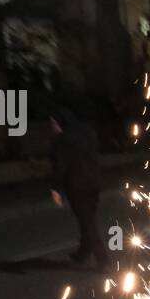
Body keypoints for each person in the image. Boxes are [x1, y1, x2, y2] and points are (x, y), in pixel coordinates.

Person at [50, 105, 110, 270]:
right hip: (95, 182)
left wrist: (56, 190)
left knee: (87, 222)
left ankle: (102, 259)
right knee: (88, 219)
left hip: (77, 186)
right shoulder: (88, 133)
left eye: (53, 123)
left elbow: (60, 167)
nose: (52, 127)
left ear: (61, 123)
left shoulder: (62, 140)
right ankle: (83, 253)